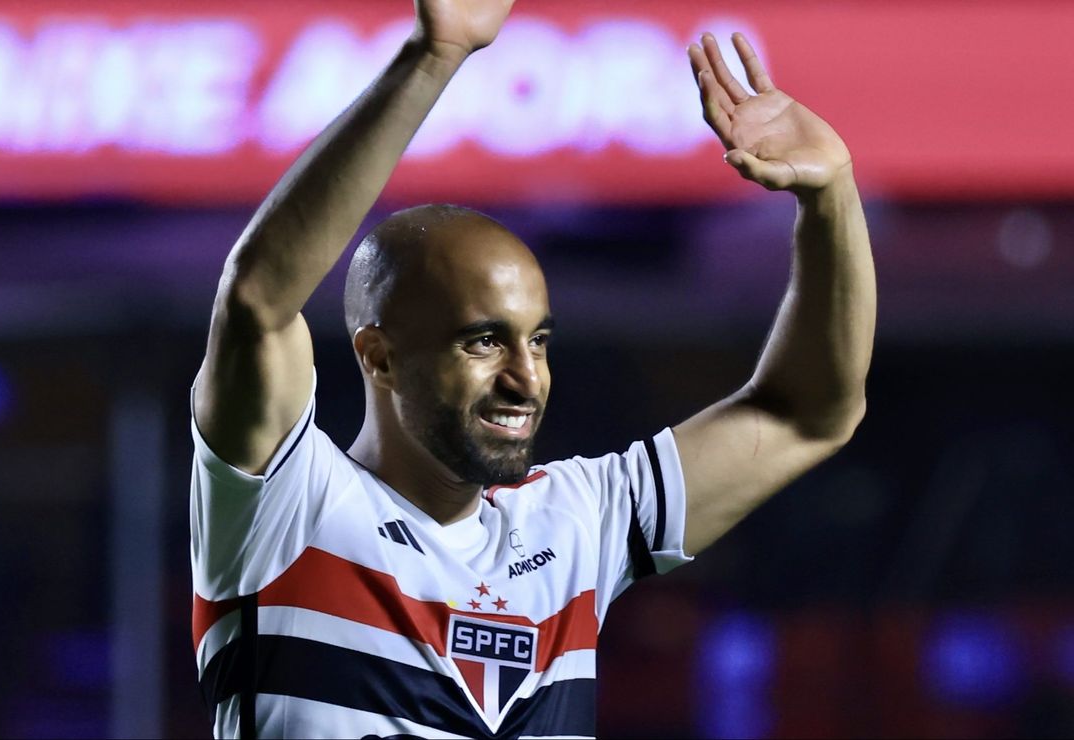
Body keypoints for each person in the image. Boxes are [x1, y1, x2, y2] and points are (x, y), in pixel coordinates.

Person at [188, 0, 875, 738]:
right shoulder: (284, 508)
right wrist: (433, 57)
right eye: (484, 342)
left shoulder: (575, 523)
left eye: (538, 341)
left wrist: (829, 196)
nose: (526, 378)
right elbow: (257, 301)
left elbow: (807, 414)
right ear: (380, 357)